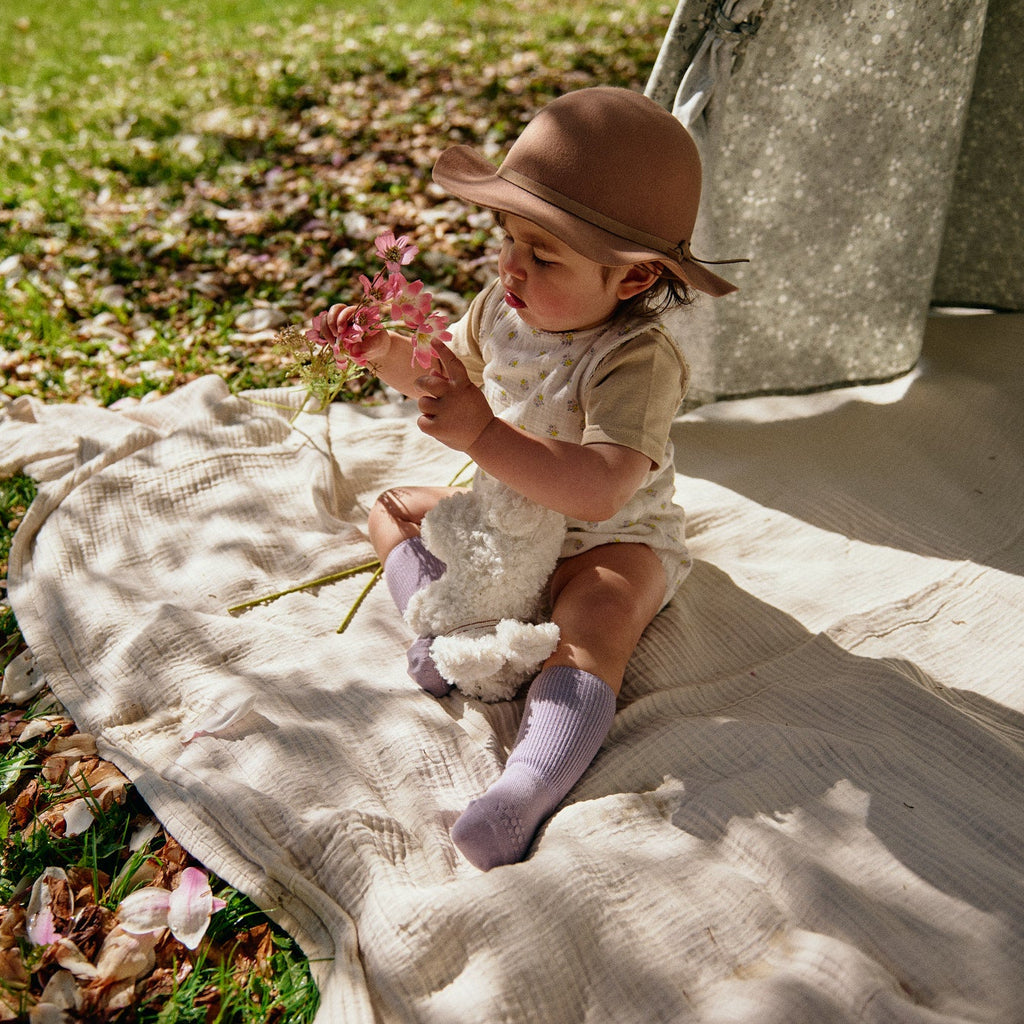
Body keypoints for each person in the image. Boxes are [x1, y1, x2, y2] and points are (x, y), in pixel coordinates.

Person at [319, 86, 741, 870]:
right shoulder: (499, 309)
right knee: (393, 510)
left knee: (597, 621)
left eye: (545, 256)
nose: (513, 265)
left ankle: (525, 787)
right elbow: (441, 375)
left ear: (633, 280)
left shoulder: (636, 360)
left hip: (605, 539)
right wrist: (384, 354)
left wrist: (484, 433)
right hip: (507, 516)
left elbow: (601, 488)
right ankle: (448, 628)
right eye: (509, 238)